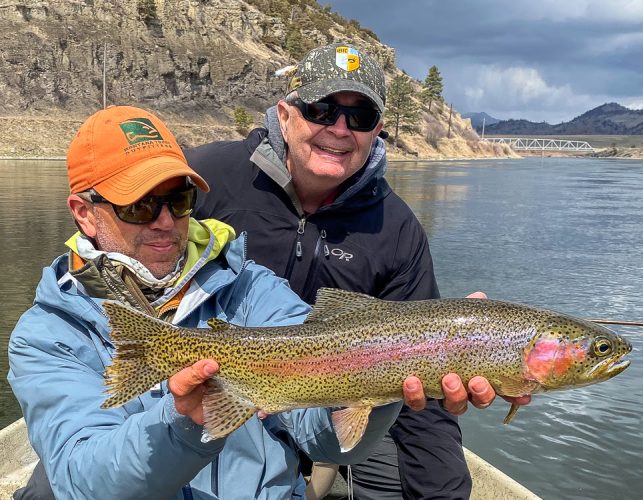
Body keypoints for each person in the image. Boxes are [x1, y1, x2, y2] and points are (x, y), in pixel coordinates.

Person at [7, 104, 434, 500]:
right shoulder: (49, 334)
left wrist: (381, 382)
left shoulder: (250, 287)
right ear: (84, 212)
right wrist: (185, 422)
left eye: (178, 200)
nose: (165, 222)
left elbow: (322, 438)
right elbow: (83, 481)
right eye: (139, 206)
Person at [187, 43, 528, 499]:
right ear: (285, 113)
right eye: (321, 109)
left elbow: (421, 383)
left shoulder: (398, 229)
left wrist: (443, 492)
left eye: (360, 117)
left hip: (354, 399)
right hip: (221, 379)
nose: (340, 129)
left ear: (378, 131)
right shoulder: (205, 177)